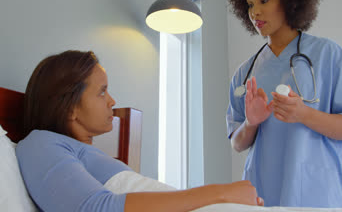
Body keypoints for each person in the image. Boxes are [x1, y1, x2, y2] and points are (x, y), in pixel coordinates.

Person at [16, 50, 264, 212]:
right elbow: (95, 209)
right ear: (69, 106)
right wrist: (221, 194)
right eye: (102, 91)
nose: (112, 100)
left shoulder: (81, 154)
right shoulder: (40, 143)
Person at [226, 0, 342, 208]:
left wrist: (303, 113)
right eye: (249, 4)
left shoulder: (328, 55)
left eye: (264, 0)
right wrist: (251, 122)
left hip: (321, 194)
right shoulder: (245, 73)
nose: (254, 13)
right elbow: (237, 143)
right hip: (263, 195)